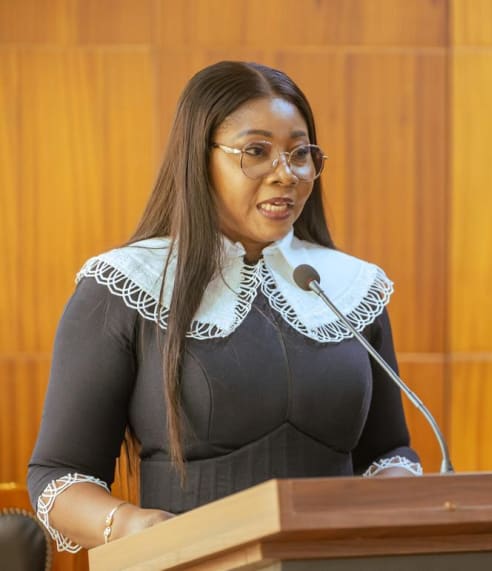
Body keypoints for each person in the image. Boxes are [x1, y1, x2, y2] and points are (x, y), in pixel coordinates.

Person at [26, 61, 421, 553]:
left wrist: (397, 484)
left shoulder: (347, 286)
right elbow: (58, 477)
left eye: (300, 154)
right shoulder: (126, 284)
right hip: (190, 560)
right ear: (199, 159)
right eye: (256, 152)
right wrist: (132, 526)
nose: (287, 174)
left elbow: (386, 450)